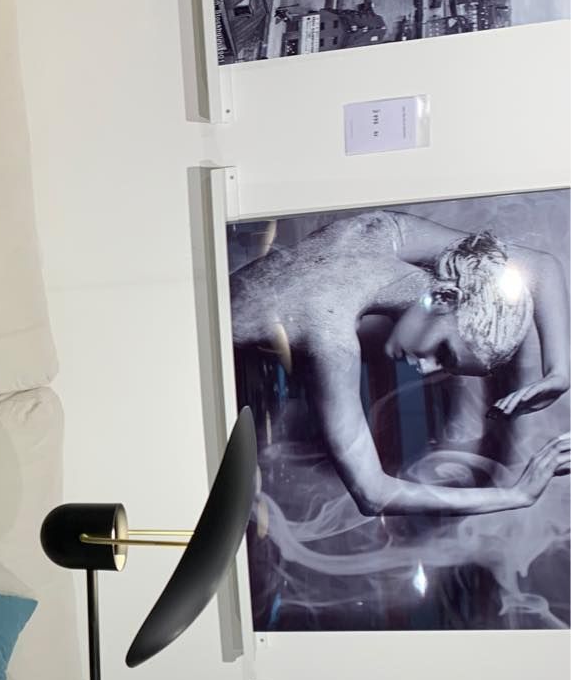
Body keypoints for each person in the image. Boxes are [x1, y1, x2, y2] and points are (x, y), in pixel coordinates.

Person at [230, 210, 570, 516]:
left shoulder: (384, 230)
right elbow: (373, 494)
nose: (427, 369)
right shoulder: (330, 334)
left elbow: (542, 267)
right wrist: (516, 495)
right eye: (443, 353)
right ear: (444, 297)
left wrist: (560, 373)